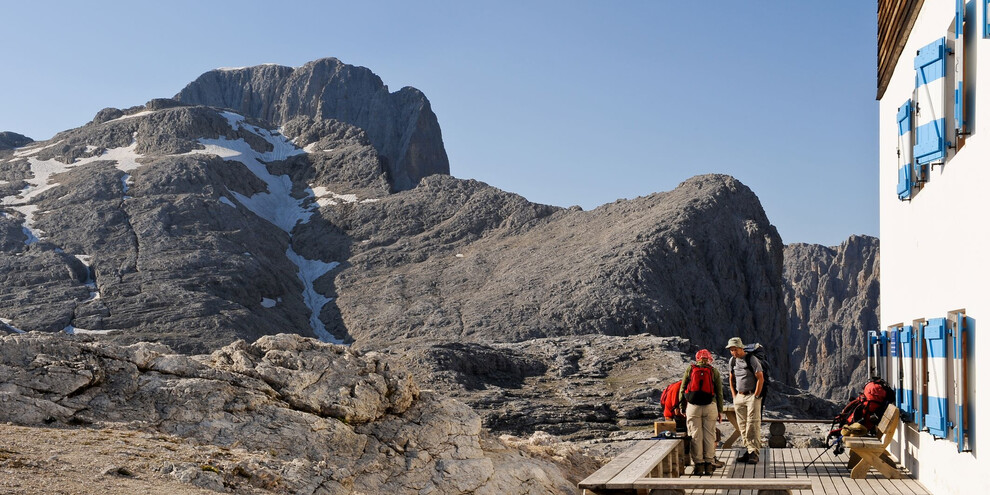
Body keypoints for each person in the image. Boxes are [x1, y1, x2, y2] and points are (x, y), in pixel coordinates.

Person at [678, 349, 723, 475]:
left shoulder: (690, 369)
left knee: (695, 435)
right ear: (709, 359)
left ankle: (698, 465)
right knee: (709, 435)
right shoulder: (713, 371)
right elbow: (719, 393)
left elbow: (682, 389)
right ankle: (709, 465)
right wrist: (720, 411)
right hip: (710, 406)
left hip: (693, 407)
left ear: (697, 358)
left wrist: (682, 406)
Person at [726, 336, 764, 464]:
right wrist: (734, 395)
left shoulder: (751, 359)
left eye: (735, 349)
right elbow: (731, 378)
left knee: (752, 425)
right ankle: (749, 451)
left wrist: (756, 396)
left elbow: (760, 378)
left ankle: (754, 453)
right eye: (731, 350)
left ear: (741, 348)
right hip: (739, 397)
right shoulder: (732, 361)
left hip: (751, 396)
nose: (734, 352)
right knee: (742, 426)